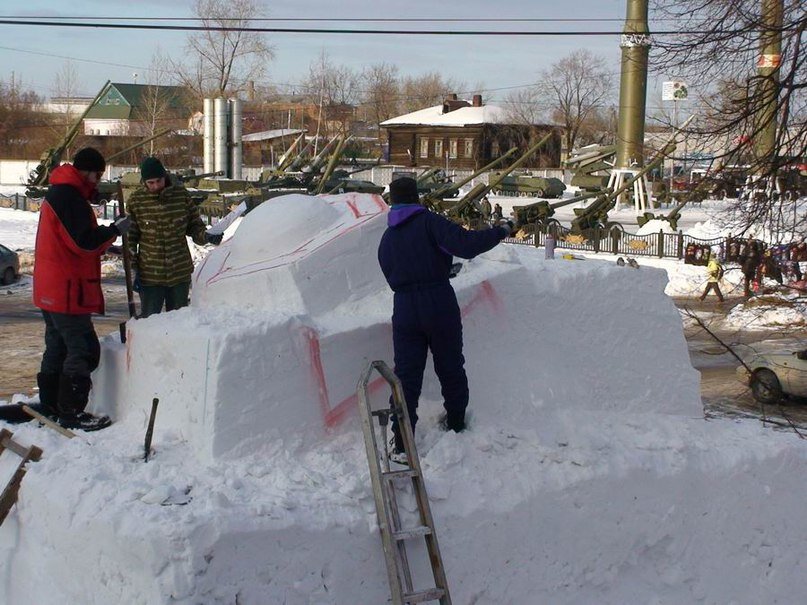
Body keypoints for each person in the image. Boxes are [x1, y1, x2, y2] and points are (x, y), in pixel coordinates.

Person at [377, 177, 513, 461]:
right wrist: (501, 230)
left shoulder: (387, 238)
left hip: (404, 308)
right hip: (438, 302)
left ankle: (401, 441)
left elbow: (391, 273)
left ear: (393, 202)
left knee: (405, 376)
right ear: (416, 198)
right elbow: (467, 245)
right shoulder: (430, 222)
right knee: (450, 365)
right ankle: (456, 423)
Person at [32, 147, 131, 431]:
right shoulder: (69, 197)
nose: (98, 181)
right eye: (97, 175)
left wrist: (105, 242)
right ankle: (71, 412)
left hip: (51, 288)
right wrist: (114, 230)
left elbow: (70, 239)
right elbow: (83, 242)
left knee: (58, 346)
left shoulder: (60, 193)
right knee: (83, 349)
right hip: (66, 289)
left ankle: (51, 405)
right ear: (85, 172)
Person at [126, 157, 223, 318]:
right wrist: (133, 269)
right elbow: (130, 238)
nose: (155, 186)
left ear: (165, 177)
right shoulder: (136, 201)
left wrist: (207, 236)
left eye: (159, 181)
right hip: (150, 275)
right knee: (150, 321)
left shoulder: (181, 196)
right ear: (144, 182)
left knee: (179, 321)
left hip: (179, 274)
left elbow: (195, 226)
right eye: (151, 183)